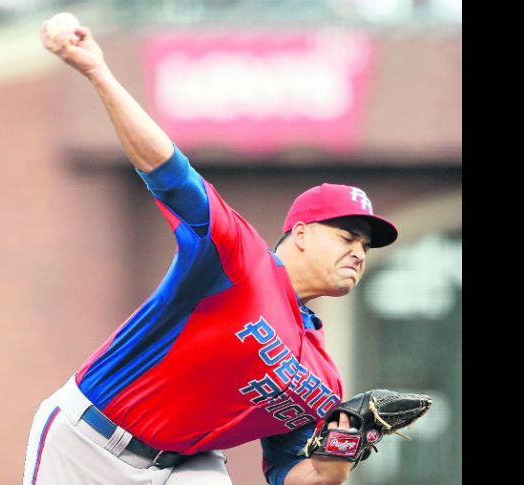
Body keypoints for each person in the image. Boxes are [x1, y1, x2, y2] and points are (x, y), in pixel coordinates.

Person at [24, 20, 399, 485]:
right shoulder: (239, 259)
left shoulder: (323, 378)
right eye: (347, 238)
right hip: (89, 442)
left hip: (185, 466)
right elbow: (170, 174)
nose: (359, 253)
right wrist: (98, 71)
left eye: (364, 246)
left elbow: (292, 475)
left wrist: (338, 459)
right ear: (300, 233)